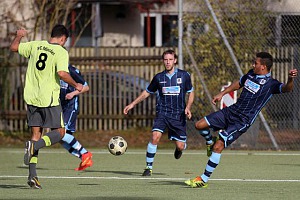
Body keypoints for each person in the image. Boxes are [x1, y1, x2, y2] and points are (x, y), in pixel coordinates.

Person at [185, 52, 298, 188]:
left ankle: (203, 180)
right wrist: (222, 93)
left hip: (242, 121)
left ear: (263, 66)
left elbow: (287, 88)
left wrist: (290, 79)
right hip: (231, 111)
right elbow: (239, 83)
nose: (252, 65)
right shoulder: (250, 74)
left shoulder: (271, 84)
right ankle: (209, 142)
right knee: (199, 125)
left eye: (255, 63)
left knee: (219, 146)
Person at [10, 24, 85, 189]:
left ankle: (32, 176)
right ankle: (34, 147)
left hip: (31, 97)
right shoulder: (61, 51)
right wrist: (76, 85)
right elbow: (62, 73)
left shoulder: (35, 45)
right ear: (63, 39)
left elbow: (14, 47)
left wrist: (20, 35)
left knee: (36, 134)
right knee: (60, 132)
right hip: (49, 99)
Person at [123, 49, 194, 176]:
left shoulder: (184, 76)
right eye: (165, 60)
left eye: (170, 59)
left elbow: (191, 92)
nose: (168, 62)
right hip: (162, 112)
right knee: (155, 137)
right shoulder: (158, 78)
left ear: (175, 60)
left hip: (178, 115)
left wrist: (188, 107)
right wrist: (132, 104)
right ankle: (148, 167)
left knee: (180, 146)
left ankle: (179, 149)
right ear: (163, 61)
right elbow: (146, 92)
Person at [60, 64, 93, 171]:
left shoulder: (71, 70)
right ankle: (83, 158)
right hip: (60, 107)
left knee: (63, 134)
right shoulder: (53, 69)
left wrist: (73, 94)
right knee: (59, 138)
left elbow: (86, 87)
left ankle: (85, 153)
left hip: (70, 107)